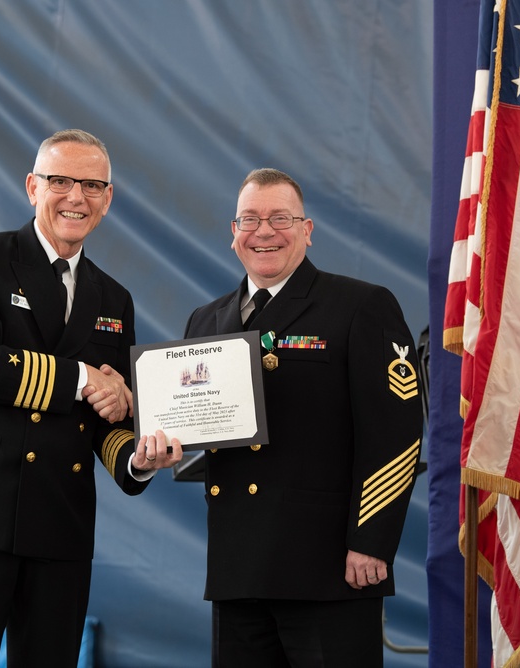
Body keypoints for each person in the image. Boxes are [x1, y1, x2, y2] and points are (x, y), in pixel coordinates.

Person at [0, 129, 181, 667]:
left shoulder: (114, 299)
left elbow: (106, 417)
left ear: (108, 200)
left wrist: (137, 458)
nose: (75, 197)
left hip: (59, 523)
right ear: (33, 187)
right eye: (60, 181)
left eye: (91, 185)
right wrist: (84, 378)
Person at [181, 168, 423, 666]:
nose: (264, 231)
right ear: (233, 234)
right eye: (249, 219)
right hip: (237, 569)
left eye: (280, 218)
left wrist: (370, 541)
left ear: (307, 231)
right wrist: (160, 443)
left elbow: (395, 434)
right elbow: (195, 426)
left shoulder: (360, 306)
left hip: (330, 567)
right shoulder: (206, 321)